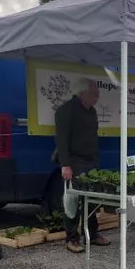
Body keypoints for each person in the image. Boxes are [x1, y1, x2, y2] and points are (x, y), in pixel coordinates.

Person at [55, 77, 112, 253]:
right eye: (94, 93)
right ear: (82, 93)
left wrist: (96, 160)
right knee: (72, 200)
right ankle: (72, 238)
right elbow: (61, 140)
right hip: (73, 161)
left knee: (91, 199)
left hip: (90, 161)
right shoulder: (66, 110)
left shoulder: (92, 111)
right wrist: (65, 164)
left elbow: (94, 137)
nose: (97, 96)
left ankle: (93, 234)